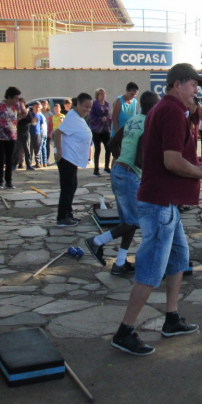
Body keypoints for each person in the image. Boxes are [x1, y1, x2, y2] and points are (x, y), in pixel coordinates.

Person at [112, 63, 202, 356]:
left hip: (165, 202)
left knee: (179, 258)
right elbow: (171, 160)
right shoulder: (169, 112)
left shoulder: (170, 109)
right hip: (159, 203)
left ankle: (171, 318)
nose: (198, 90)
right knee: (151, 268)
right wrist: (199, 172)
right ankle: (125, 331)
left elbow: (181, 130)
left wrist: (196, 113)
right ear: (177, 84)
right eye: (194, 84)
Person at [85, 91, 160, 275]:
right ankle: (97, 241)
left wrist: (122, 159)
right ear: (152, 107)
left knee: (128, 221)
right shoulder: (148, 124)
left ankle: (120, 263)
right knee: (135, 221)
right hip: (130, 175)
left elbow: (111, 144)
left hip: (119, 170)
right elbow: (140, 160)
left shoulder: (133, 121)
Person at [52, 93, 93, 227]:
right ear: (78, 104)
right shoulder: (72, 117)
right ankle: (62, 217)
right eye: (86, 107)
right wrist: (59, 150)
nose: (88, 110)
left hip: (72, 159)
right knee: (67, 188)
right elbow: (58, 133)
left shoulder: (77, 117)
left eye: (90, 107)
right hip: (66, 158)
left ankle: (68, 214)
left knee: (72, 186)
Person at [0, 87, 24, 190]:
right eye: (15, 98)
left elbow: (25, 112)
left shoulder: (16, 105)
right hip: (0, 135)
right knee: (1, 158)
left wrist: (17, 120)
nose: (17, 100)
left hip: (12, 134)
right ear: (9, 97)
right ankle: (0, 182)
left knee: (10, 158)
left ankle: (9, 181)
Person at [89, 89, 113, 176]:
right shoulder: (94, 104)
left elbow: (109, 115)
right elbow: (91, 116)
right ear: (97, 95)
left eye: (104, 94)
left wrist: (110, 121)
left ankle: (107, 167)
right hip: (97, 130)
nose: (103, 95)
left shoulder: (107, 104)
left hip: (106, 129)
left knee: (108, 148)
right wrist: (100, 119)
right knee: (98, 149)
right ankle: (96, 169)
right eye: (101, 94)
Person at [13, 98, 31, 169]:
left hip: (25, 132)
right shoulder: (15, 112)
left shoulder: (27, 112)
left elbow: (29, 120)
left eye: (21, 104)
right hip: (17, 133)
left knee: (27, 149)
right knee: (16, 149)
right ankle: (14, 164)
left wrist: (20, 120)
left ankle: (28, 164)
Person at [28, 103, 45, 170]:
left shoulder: (40, 116)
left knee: (37, 148)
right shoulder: (30, 115)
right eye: (36, 107)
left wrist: (41, 132)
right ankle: (30, 163)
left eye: (38, 107)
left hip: (38, 133)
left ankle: (38, 162)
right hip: (30, 133)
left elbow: (41, 125)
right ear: (33, 107)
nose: (37, 109)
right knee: (30, 148)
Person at [41, 100, 53, 166]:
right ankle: (41, 160)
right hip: (41, 132)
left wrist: (50, 132)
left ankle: (47, 160)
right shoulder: (40, 112)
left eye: (45, 104)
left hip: (47, 132)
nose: (44, 105)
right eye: (43, 104)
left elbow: (51, 124)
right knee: (41, 146)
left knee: (47, 146)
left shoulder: (50, 113)